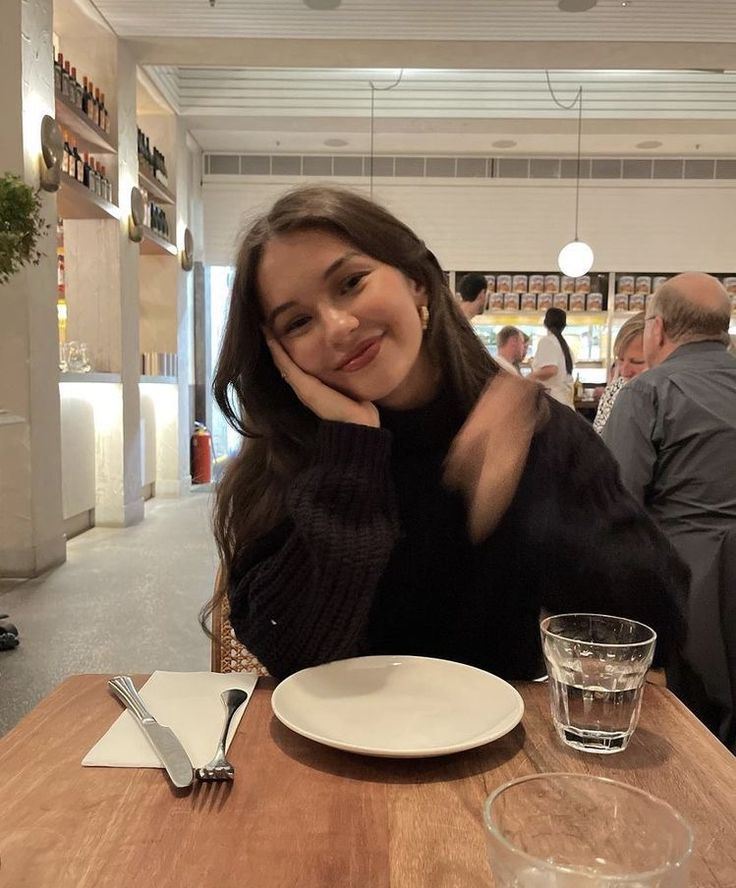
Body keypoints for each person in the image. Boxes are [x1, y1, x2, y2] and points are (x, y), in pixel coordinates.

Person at [203, 184, 687, 684]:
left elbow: (656, 624)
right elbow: (293, 656)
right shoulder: (286, 457)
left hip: (498, 751)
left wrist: (532, 494)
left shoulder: (527, 425)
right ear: (280, 354)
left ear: (417, 280)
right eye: (298, 321)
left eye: (351, 283)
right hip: (334, 750)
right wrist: (352, 453)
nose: (338, 325)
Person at [602, 273, 736, 750]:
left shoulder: (649, 392)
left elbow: (616, 506)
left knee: (696, 739)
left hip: (691, 591)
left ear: (656, 329)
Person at [592, 311, 646, 434]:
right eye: (620, 359)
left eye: (637, 362)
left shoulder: (672, 399)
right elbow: (598, 443)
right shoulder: (613, 391)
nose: (624, 371)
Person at [529, 308, 574, 408]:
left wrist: (531, 376)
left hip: (553, 403)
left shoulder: (547, 341)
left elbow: (551, 370)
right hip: (564, 402)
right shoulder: (563, 345)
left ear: (545, 323)